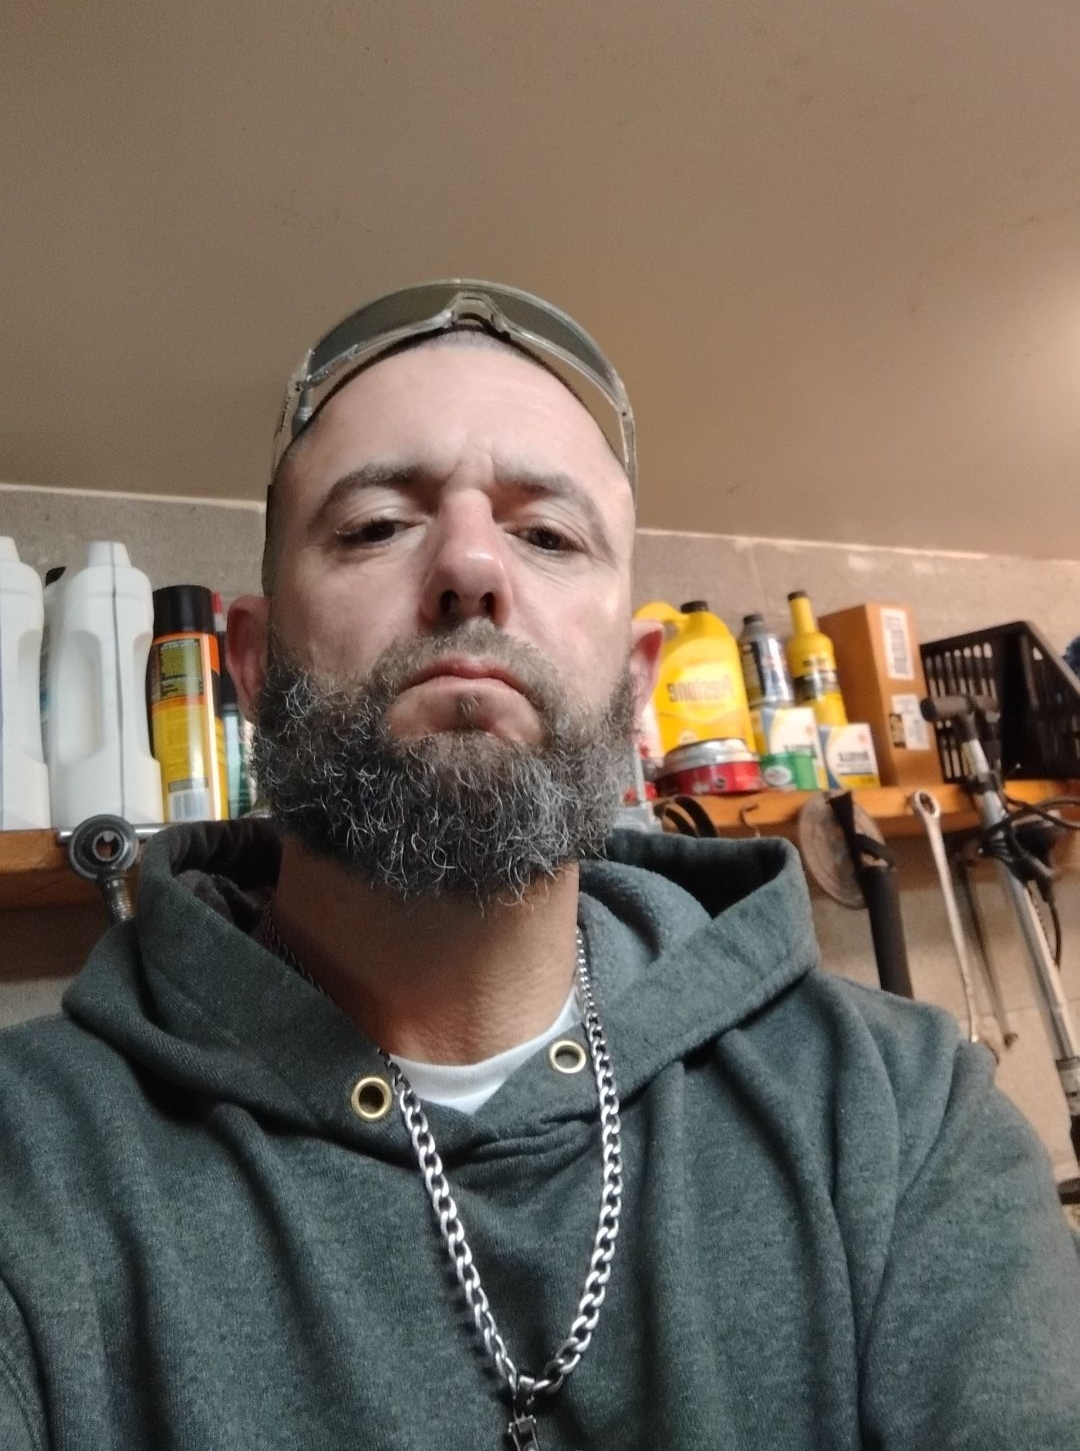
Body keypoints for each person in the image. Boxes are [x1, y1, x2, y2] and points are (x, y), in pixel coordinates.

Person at [1, 279, 1078, 1451]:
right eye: (375, 526)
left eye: (549, 535)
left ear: (637, 682)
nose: (469, 565)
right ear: (251, 668)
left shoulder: (901, 1116)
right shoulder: (28, 1159)